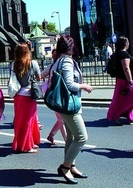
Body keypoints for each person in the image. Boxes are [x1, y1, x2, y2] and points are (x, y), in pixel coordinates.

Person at [52, 35, 93, 184]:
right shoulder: (67, 61)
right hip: (70, 104)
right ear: (71, 47)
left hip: (63, 103)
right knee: (82, 137)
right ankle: (65, 167)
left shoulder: (58, 61)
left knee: (71, 136)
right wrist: (85, 86)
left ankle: (71, 167)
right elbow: (70, 84)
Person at [11, 43, 41, 153]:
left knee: (20, 121)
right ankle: (27, 146)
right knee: (29, 120)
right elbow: (39, 77)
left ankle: (21, 143)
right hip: (29, 95)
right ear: (27, 51)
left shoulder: (14, 64)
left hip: (18, 95)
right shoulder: (33, 63)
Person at [107, 36, 133, 125]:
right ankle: (118, 115)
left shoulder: (118, 53)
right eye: (128, 42)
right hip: (127, 80)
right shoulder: (123, 54)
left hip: (122, 80)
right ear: (126, 44)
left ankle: (131, 117)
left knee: (122, 99)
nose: (129, 44)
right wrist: (130, 81)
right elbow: (126, 68)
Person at [41, 49, 67, 145]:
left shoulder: (60, 65)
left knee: (62, 118)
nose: (54, 57)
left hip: (63, 95)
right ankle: (67, 141)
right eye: (53, 56)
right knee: (61, 119)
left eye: (55, 55)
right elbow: (41, 75)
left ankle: (51, 135)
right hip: (55, 95)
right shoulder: (51, 66)